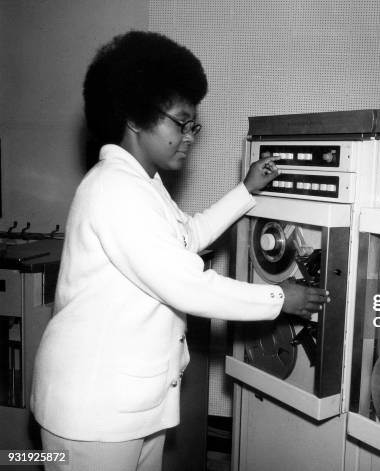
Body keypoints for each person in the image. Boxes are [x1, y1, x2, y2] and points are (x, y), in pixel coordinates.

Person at [30, 30, 328, 471]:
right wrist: (283, 298)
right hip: (90, 414)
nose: (190, 136)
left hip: (127, 406)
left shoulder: (142, 185)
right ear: (134, 117)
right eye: (180, 123)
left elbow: (187, 236)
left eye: (194, 125)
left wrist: (245, 192)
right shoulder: (114, 190)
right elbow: (187, 285)